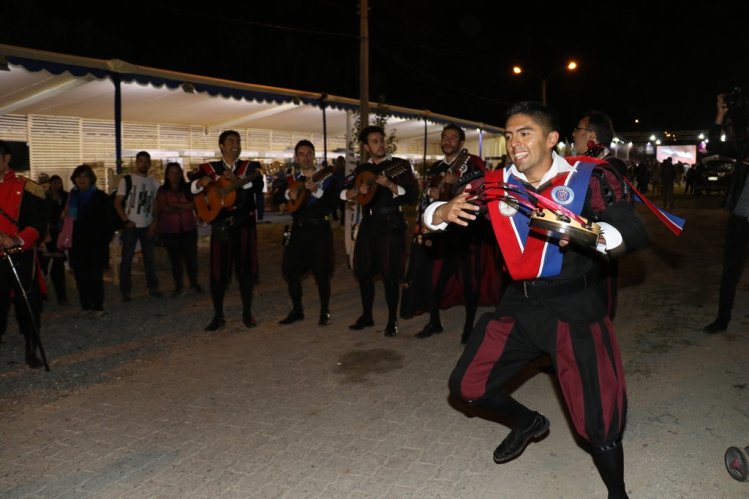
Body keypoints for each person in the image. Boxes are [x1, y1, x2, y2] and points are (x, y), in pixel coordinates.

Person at [423, 102, 649, 498]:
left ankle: (618, 494)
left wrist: (591, 234)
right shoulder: (494, 185)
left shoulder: (587, 178)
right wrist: (440, 211)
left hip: (576, 309)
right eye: (508, 135)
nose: (514, 143)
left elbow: (631, 226)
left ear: (551, 139)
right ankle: (527, 422)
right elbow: (433, 213)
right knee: (467, 385)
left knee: (599, 424)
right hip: (520, 307)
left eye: (524, 133)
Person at [401, 123, 503, 344]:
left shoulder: (473, 163)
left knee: (470, 281)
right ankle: (435, 322)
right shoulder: (436, 168)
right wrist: (433, 194)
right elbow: (427, 200)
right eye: (445, 138)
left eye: (453, 138)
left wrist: (456, 185)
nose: (448, 141)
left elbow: (483, 192)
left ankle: (468, 327)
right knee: (435, 280)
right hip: (441, 235)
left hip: (467, 233)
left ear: (461, 142)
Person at [341, 125, 418, 336]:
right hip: (368, 225)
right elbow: (342, 193)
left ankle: (392, 320)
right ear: (366, 146)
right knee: (364, 273)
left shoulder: (399, 166)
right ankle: (367, 316)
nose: (380, 144)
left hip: (390, 224)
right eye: (374, 142)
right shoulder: (362, 169)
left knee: (390, 274)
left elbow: (413, 195)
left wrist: (392, 186)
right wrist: (357, 191)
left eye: (381, 140)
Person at [191, 130, 263, 331]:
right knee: (218, 273)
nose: (236, 144)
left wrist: (238, 181)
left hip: (244, 226)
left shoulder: (251, 167)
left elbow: (258, 186)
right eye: (231, 141)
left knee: (246, 272)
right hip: (221, 227)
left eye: (238, 141)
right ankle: (218, 316)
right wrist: (199, 183)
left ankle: (247, 314)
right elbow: (192, 189)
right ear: (221, 145)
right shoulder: (209, 168)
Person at [571, 110, 629, 319]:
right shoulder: (582, 165)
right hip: (578, 246)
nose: (573, 134)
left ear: (592, 137)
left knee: (597, 305)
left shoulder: (610, 167)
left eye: (578, 129)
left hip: (598, 247)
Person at [278, 140, 340, 326]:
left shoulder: (327, 177)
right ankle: (297, 311)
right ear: (296, 158)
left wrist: (317, 192)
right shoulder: (291, 180)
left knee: (322, 273)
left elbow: (333, 203)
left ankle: (324, 311)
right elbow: (276, 196)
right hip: (298, 230)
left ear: (314, 156)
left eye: (309, 153)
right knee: (291, 272)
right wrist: (288, 195)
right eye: (301, 154)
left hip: (319, 229)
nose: (305, 157)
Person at [703, 91, 749, 333]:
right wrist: (720, 115)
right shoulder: (743, 150)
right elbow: (713, 145)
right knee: (730, 271)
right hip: (741, 219)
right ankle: (722, 319)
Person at [0, 140, 48, 368]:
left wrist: (17, 240)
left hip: (20, 254)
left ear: (6, 158)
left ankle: (31, 346)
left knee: (28, 303)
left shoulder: (28, 187)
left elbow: (38, 224)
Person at [66, 164, 114, 318]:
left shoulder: (100, 196)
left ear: (91, 178)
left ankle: (98, 306)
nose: (81, 179)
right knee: (80, 276)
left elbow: (109, 222)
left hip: (95, 244)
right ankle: (86, 305)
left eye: (85, 176)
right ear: (74, 179)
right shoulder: (71, 197)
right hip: (77, 244)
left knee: (95, 276)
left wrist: (103, 240)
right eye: (79, 176)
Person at [114, 151, 162, 301]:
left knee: (150, 259)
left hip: (147, 225)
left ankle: (153, 287)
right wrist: (125, 220)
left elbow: (156, 203)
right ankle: (126, 291)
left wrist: (155, 222)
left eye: (146, 161)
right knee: (127, 259)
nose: (144, 164)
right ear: (136, 162)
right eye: (141, 161)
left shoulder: (154, 182)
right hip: (131, 227)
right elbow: (117, 202)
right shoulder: (126, 180)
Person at [156, 162, 203, 296]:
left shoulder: (188, 189)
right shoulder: (162, 191)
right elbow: (164, 207)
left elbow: (195, 204)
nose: (175, 175)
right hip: (170, 231)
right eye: (172, 172)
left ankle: (194, 283)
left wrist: (175, 206)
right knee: (175, 261)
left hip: (189, 229)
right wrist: (184, 206)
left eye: (177, 172)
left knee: (192, 259)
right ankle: (179, 286)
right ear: (167, 175)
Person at [39, 174, 69, 305]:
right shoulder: (44, 197)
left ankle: (61, 295)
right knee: (44, 264)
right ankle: (43, 293)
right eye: (54, 182)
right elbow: (43, 218)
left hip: (60, 233)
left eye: (59, 182)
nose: (57, 185)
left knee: (57, 266)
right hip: (47, 234)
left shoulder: (66, 197)